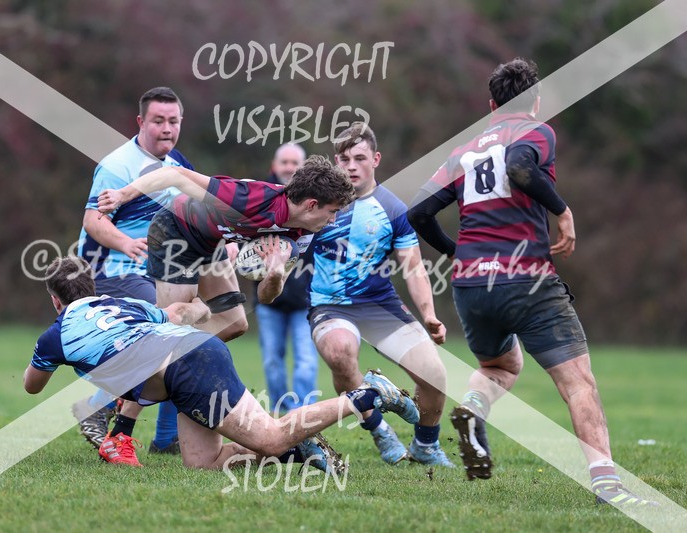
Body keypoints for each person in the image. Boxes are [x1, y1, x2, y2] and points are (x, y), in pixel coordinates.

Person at [408, 58, 657, 507]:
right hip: (525, 279)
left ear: (490, 105)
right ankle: (608, 486)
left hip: (470, 286)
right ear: (535, 101)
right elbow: (521, 166)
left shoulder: (463, 150)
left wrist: (455, 253)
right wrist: (562, 212)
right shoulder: (535, 130)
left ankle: (474, 410)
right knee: (579, 383)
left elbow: (419, 213)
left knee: (500, 367)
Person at [23, 256, 420, 471]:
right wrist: (200, 307)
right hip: (190, 359)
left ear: (55, 301)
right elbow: (176, 313)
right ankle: (295, 453)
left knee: (269, 435)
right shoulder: (124, 305)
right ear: (93, 289)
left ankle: (367, 394)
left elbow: (31, 385)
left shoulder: (55, 335)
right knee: (203, 463)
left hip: (189, 366)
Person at [94, 154, 355, 451]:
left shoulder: (304, 233)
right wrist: (121, 195)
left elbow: (267, 297)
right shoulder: (251, 199)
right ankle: (120, 432)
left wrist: (276, 273)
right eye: (332, 211)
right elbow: (175, 175)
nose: (333, 219)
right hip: (175, 233)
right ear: (311, 205)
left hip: (209, 245)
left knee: (234, 324)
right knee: (171, 334)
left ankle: (151, 375)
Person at [307, 122, 452, 467]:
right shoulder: (315, 206)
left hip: (380, 306)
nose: (352, 166)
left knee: (435, 376)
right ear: (335, 163)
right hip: (330, 306)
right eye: (344, 159)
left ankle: (425, 446)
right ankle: (379, 431)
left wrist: (429, 314)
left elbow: (414, 268)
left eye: (360, 158)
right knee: (341, 352)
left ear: (376, 159)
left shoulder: (394, 209)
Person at [71, 87, 194, 454]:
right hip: (112, 270)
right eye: (158, 121)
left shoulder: (178, 165)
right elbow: (92, 220)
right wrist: (124, 242)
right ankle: (99, 405)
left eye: (173, 121)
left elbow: (197, 211)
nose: (167, 128)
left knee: (189, 333)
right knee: (172, 331)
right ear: (141, 122)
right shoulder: (117, 165)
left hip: (157, 272)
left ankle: (167, 438)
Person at [254, 143, 318, 413]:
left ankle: (304, 414)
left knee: (306, 360)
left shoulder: (318, 203)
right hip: (269, 302)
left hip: (305, 300)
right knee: (272, 360)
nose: (290, 167)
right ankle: (282, 410)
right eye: (285, 162)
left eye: (295, 163)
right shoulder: (258, 200)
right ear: (274, 166)